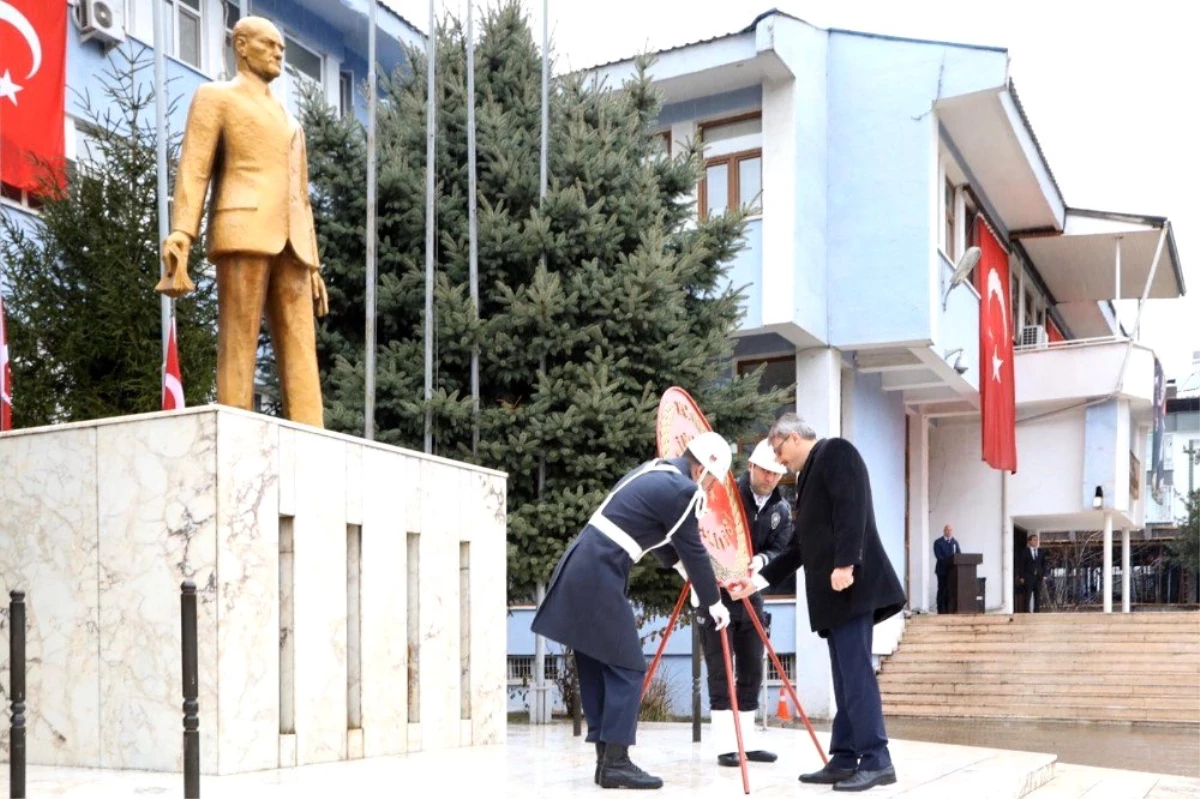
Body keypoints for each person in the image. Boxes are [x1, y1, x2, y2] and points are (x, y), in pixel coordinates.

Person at [531, 432, 733, 790]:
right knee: (628, 666)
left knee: (596, 662)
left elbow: (663, 540)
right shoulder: (684, 491)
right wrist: (713, 601)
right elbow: (693, 549)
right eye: (713, 479)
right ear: (702, 468)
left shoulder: (655, 471)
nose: (711, 487)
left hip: (584, 562)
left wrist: (685, 572)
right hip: (600, 570)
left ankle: (605, 761)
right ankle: (617, 762)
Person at [158, 16, 329, 427]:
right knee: (239, 339)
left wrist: (314, 264)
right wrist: (183, 230)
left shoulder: (291, 120)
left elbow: (300, 194)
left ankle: (313, 434)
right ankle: (236, 427)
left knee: (301, 346)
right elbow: (195, 168)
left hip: (294, 245)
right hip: (243, 229)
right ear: (241, 46)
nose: (278, 53)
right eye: (269, 44)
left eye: (281, 48)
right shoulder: (216, 97)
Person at [728, 413, 905, 792]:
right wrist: (755, 582)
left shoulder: (836, 452)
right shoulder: (808, 476)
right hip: (835, 598)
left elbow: (851, 508)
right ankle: (844, 758)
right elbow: (798, 549)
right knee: (844, 679)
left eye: (778, 451)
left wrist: (846, 563)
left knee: (856, 676)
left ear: (792, 437)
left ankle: (877, 759)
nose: (779, 461)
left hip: (851, 588)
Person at [698, 439, 793, 767]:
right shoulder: (725, 494)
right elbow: (706, 537)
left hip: (752, 594)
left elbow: (781, 549)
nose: (770, 478)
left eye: (776, 473)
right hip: (717, 595)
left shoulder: (781, 508)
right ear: (751, 466)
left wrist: (761, 562)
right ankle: (726, 745)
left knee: (752, 668)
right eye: (765, 470)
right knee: (720, 669)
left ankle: (748, 742)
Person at [1017, 534, 1048, 613]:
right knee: (1027, 596)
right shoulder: (1025, 552)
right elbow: (1021, 565)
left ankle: (1036, 612)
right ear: (1029, 541)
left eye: (1037, 540)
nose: (1036, 542)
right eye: (1034, 540)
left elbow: (1044, 564)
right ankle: (1026, 612)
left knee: (1037, 596)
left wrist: (1044, 574)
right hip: (1028, 577)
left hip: (1038, 577)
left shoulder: (1041, 552)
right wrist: (1021, 577)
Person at [934, 524, 960, 614]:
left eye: (950, 530)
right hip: (942, 570)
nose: (949, 531)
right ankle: (941, 609)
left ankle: (950, 609)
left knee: (951, 589)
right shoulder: (938, 542)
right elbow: (939, 556)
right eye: (947, 530)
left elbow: (959, 555)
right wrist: (948, 563)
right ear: (944, 531)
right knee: (942, 589)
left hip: (952, 572)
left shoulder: (954, 542)